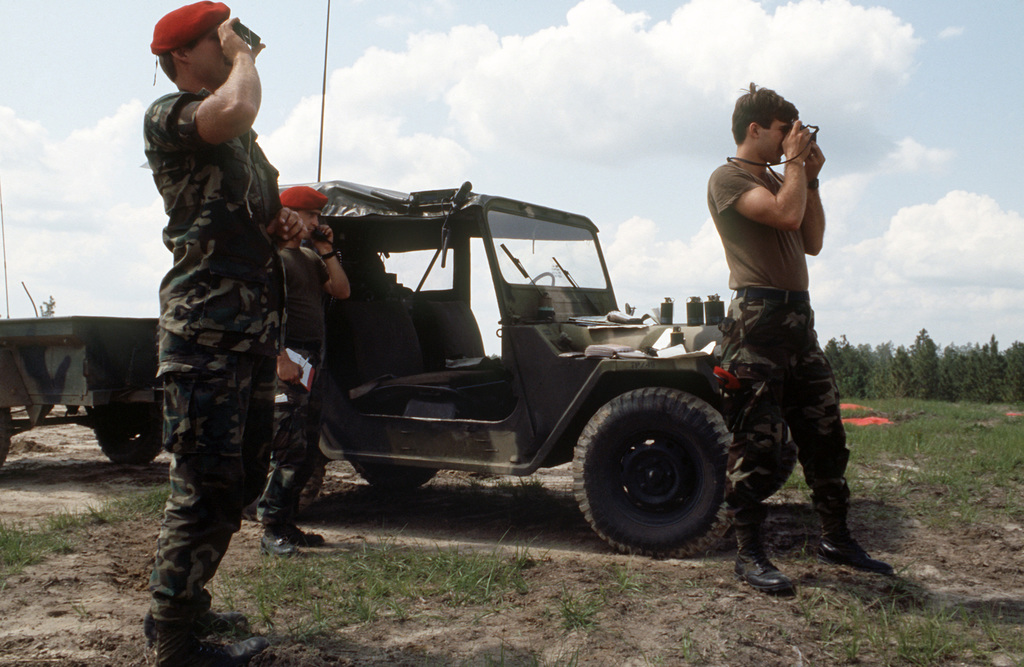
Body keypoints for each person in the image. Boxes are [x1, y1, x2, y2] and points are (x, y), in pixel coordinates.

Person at [143, 2, 302, 664]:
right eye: (218, 39)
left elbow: (244, 211)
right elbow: (235, 109)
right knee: (204, 485)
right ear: (185, 57)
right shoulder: (172, 115)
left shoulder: (238, 142)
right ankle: (174, 636)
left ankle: (191, 600)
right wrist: (243, 59)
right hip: (204, 332)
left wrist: (280, 225)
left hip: (247, 334)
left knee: (240, 480)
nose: (234, 45)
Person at [707, 83, 893, 596]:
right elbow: (786, 215)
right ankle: (749, 555)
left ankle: (836, 539)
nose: (792, 138)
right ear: (755, 129)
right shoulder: (727, 178)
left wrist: (811, 177)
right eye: (784, 130)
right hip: (756, 325)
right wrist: (794, 170)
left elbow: (811, 240)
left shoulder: (781, 178)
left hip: (798, 322)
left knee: (826, 438)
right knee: (757, 446)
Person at [257, 185, 350, 557]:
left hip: (311, 360)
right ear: (289, 215)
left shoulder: (310, 259)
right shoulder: (273, 259)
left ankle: (287, 522)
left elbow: (341, 290)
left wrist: (326, 250)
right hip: (288, 360)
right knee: (288, 447)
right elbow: (264, 314)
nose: (317, 222)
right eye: (311, 215)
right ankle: (271, 527)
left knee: (309, 447)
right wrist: (281, 359)